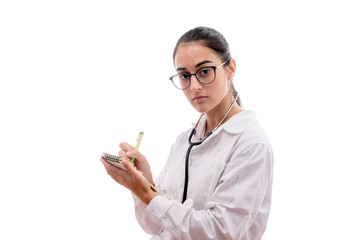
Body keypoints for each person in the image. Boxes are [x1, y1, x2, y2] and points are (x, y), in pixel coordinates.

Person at [101, 26, 274, 240]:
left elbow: (221, 232)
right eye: (184, 75)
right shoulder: (185, 140)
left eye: (204, 71)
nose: (194, 86)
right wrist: (144, 184)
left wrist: (148, 195)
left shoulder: (251, 144)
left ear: (230, 69)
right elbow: (154, 227)